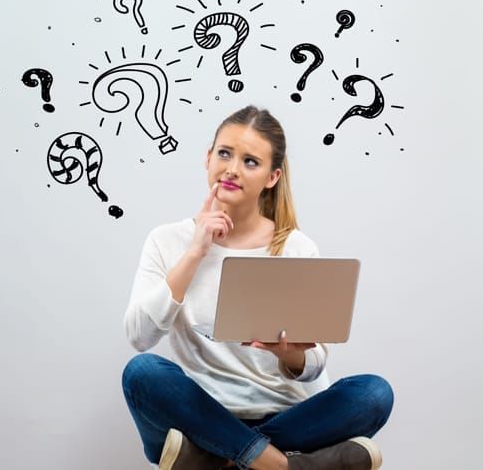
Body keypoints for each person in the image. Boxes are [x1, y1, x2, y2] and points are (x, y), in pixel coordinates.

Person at [121, 106, 394, 470]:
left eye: (250, 161)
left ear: (271, 176)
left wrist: (290, 356)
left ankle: (216, 460)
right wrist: (195, 252)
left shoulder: (296, 247)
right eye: (224, 153)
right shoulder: (167, 240)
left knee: (374, 393)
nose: (232, 168)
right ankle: (282, 466)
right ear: (207, 158)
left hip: (285, 415)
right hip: (201, 412)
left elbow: (314, 364)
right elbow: (139, 336)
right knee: (142, 373)